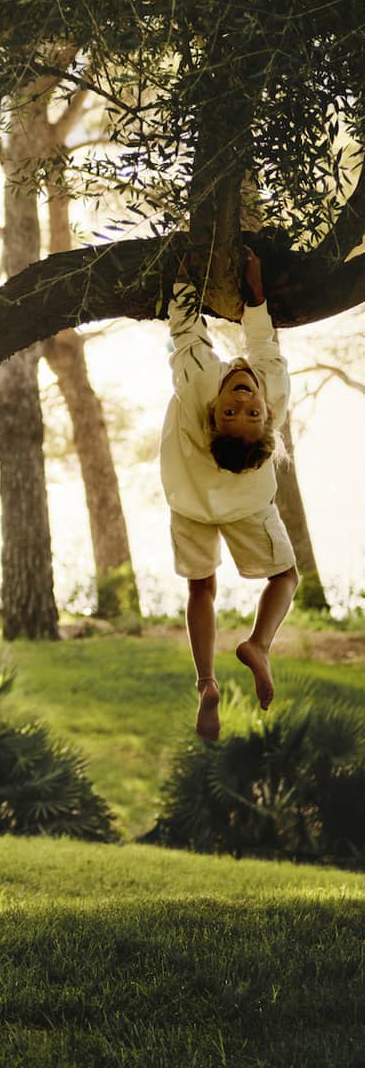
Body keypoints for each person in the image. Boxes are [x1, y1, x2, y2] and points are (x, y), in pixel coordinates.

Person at [161, 245, 298, 743]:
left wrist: (185, 276)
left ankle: (206, 683)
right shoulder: (273, 388)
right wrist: (255, 296)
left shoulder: (200, 382)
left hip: (190, 503)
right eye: (248, 411)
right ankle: (258, 645)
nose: (242, 402)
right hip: (246, 504)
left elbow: (185, 329)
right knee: (285, 576)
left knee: (201, 588)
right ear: (269, 419)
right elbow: (262, 347)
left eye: (234, 411)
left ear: (213, 413)